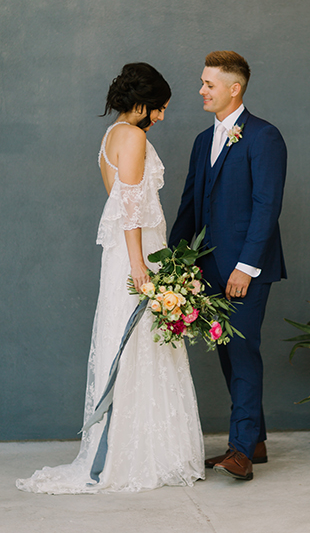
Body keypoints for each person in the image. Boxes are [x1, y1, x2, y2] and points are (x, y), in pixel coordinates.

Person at [16, 63, 205, 494]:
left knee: (141, 344)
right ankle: (137, 455)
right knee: (140, 344)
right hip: (137, 256)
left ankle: (138, 447)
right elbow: (132, 208)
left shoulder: (111, 137)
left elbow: (122, 202)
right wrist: (141, 266)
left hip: (129, 252)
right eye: (159, 108)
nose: (161, 117)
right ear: (143, 103)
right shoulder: (134, 137)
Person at [169, 51, 287, 482]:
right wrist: (176, 263)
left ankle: (240, 451)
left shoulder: (263, 136)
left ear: (234, 89)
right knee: (227, 355)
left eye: (209, 84)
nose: (201, 90)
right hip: (205, 270)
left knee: (242, 351)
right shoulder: (204, 141)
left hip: (245, 270)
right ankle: (253, 440)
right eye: (202, 82)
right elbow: (189, 205)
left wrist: (246, 266)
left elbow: (266, 206)